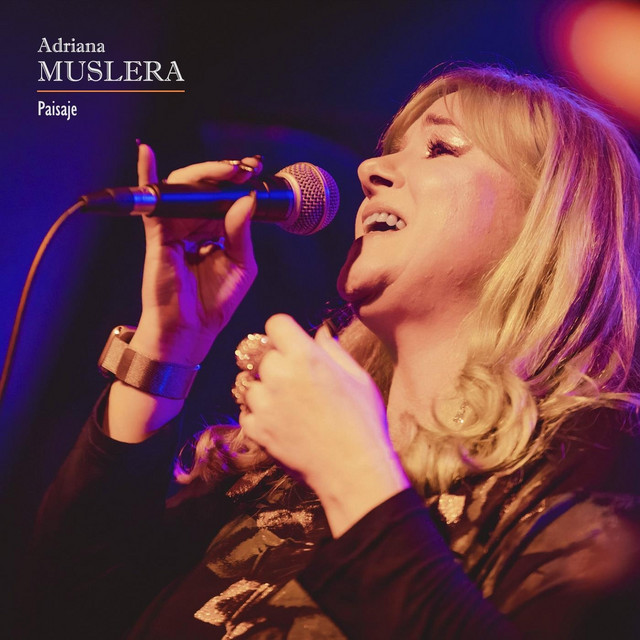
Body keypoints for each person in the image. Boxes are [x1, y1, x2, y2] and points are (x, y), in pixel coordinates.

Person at [19, 66, 640, 639]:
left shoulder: (597, 463)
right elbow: (71, 610)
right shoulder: (273, 474)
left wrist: (352, 473)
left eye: (442, 147)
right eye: (392, 148)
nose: (370, 169)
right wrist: (167, 343)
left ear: (547, 226)